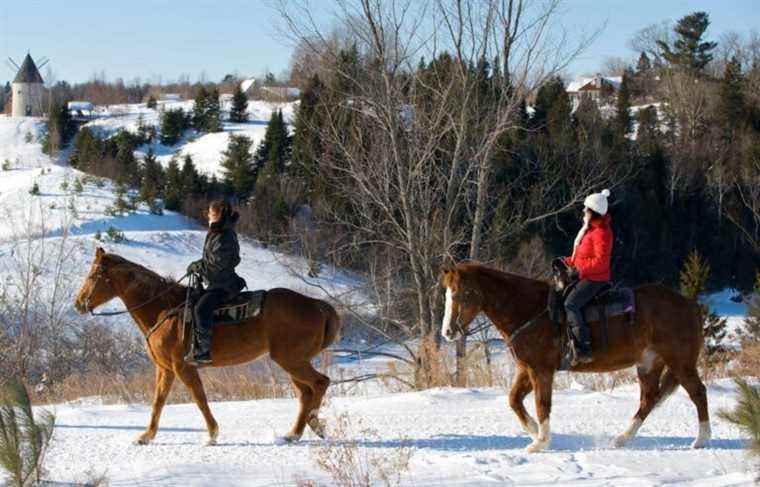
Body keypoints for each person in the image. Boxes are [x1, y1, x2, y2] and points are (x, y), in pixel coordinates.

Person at [186, 200, 245, 365]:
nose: (208, 216)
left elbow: (217, 263)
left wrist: (199, 266)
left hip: (223, 284)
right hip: (215, 282)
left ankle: (203, 351)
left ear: (219, 214)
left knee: (200, 309)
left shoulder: (224, 234)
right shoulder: (218, 231)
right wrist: (199, 265)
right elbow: (211, 259)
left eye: (211, 213)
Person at [562, 189, 613, 364]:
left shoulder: (601, 233)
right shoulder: (590, 230)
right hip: (585, 274)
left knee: (571, 304)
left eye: (586, 209)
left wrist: (578, 271)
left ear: (594, 212)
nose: (583, 211)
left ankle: (584, 348)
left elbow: (600, 262)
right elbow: (582, 256)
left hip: (595, 279)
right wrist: (565, 261)